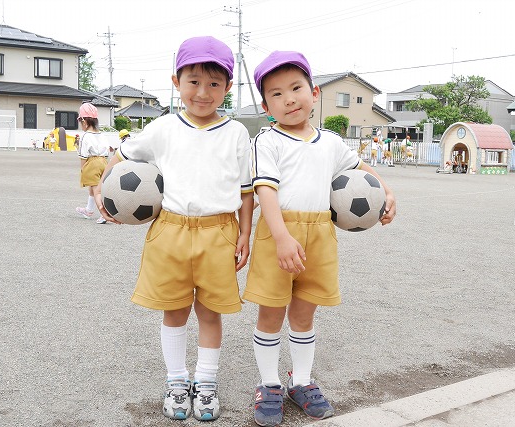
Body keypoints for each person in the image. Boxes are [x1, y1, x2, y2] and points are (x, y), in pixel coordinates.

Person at [95, 36, 253, 422]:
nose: (203, 92)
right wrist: (104, 191)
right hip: (170, 231)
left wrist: (245, 234)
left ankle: (207, 381)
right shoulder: (163, 127)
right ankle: (177, 380)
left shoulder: (236, 134)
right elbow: (122, 154)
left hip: (220, 231)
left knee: (211, 312)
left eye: (214, 84)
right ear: (176, 81)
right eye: (193, 81)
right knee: (175, 310)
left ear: (228, 88)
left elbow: (247, 192)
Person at [245, 51, 396, 426]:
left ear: (314, 92)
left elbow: (361, 169)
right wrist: (280, 237)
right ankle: (269, 385)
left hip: (320, 235)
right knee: (271, 311)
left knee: (304, 311)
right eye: (277, 94)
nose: (289, 99)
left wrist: (387, 192)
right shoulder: (267, 141)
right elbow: (265, 190)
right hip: (278, 234)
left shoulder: (330, 142)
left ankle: (301, 382)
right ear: (267, 107)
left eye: (296, 88)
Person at [75, 103, 110, 224]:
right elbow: (107, 152)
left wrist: (83, 169)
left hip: (92, 162)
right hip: (104, 162)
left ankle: (104, 213)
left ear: (84, 121)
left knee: (96, 190)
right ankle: (89, 210)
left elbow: (83, 155)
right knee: (95, 186)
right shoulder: (102, 135)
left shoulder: (85, 136)